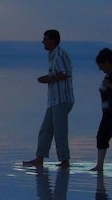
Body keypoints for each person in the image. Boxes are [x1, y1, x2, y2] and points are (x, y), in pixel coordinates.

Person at [23, 29, 75, 168]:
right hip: (54, 100)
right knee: (46, 129)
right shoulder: (53, 55)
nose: (43, 42)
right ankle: (39, 158)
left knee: (60, 131)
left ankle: (65, 160)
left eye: (45, 39)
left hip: (62, 99)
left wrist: (49, 79)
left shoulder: (60, 55)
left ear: (53, 40)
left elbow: (65, 73)